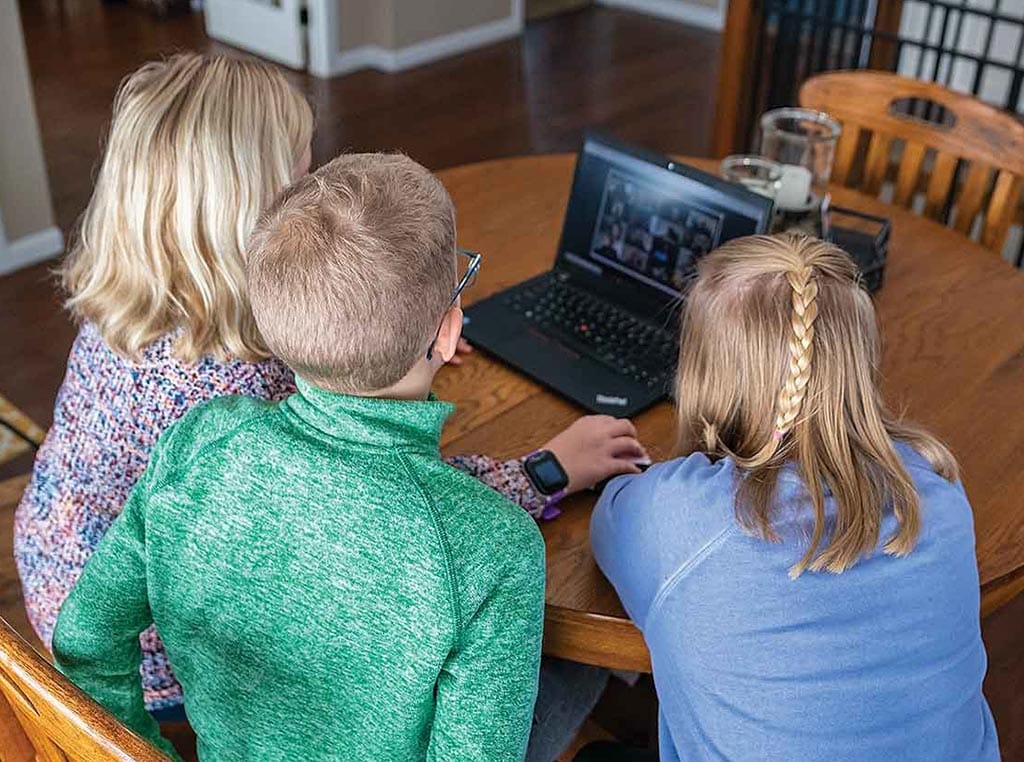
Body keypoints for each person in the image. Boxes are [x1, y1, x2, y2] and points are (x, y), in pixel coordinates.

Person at [14, 53, 640, 739]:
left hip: (67, 571)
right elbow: (357, 500)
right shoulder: (237, 387)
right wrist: (541, 470)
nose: (314, 184)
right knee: (557, 661)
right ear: (247, 213)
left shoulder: (123, 297)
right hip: (180, 649)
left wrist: (382, 334)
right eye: (302, 177)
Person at [590, 234, 1000, 761]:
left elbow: (609, 524)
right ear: (860, 361)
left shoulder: (683, 521)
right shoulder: (939, 491)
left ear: (703, 377)